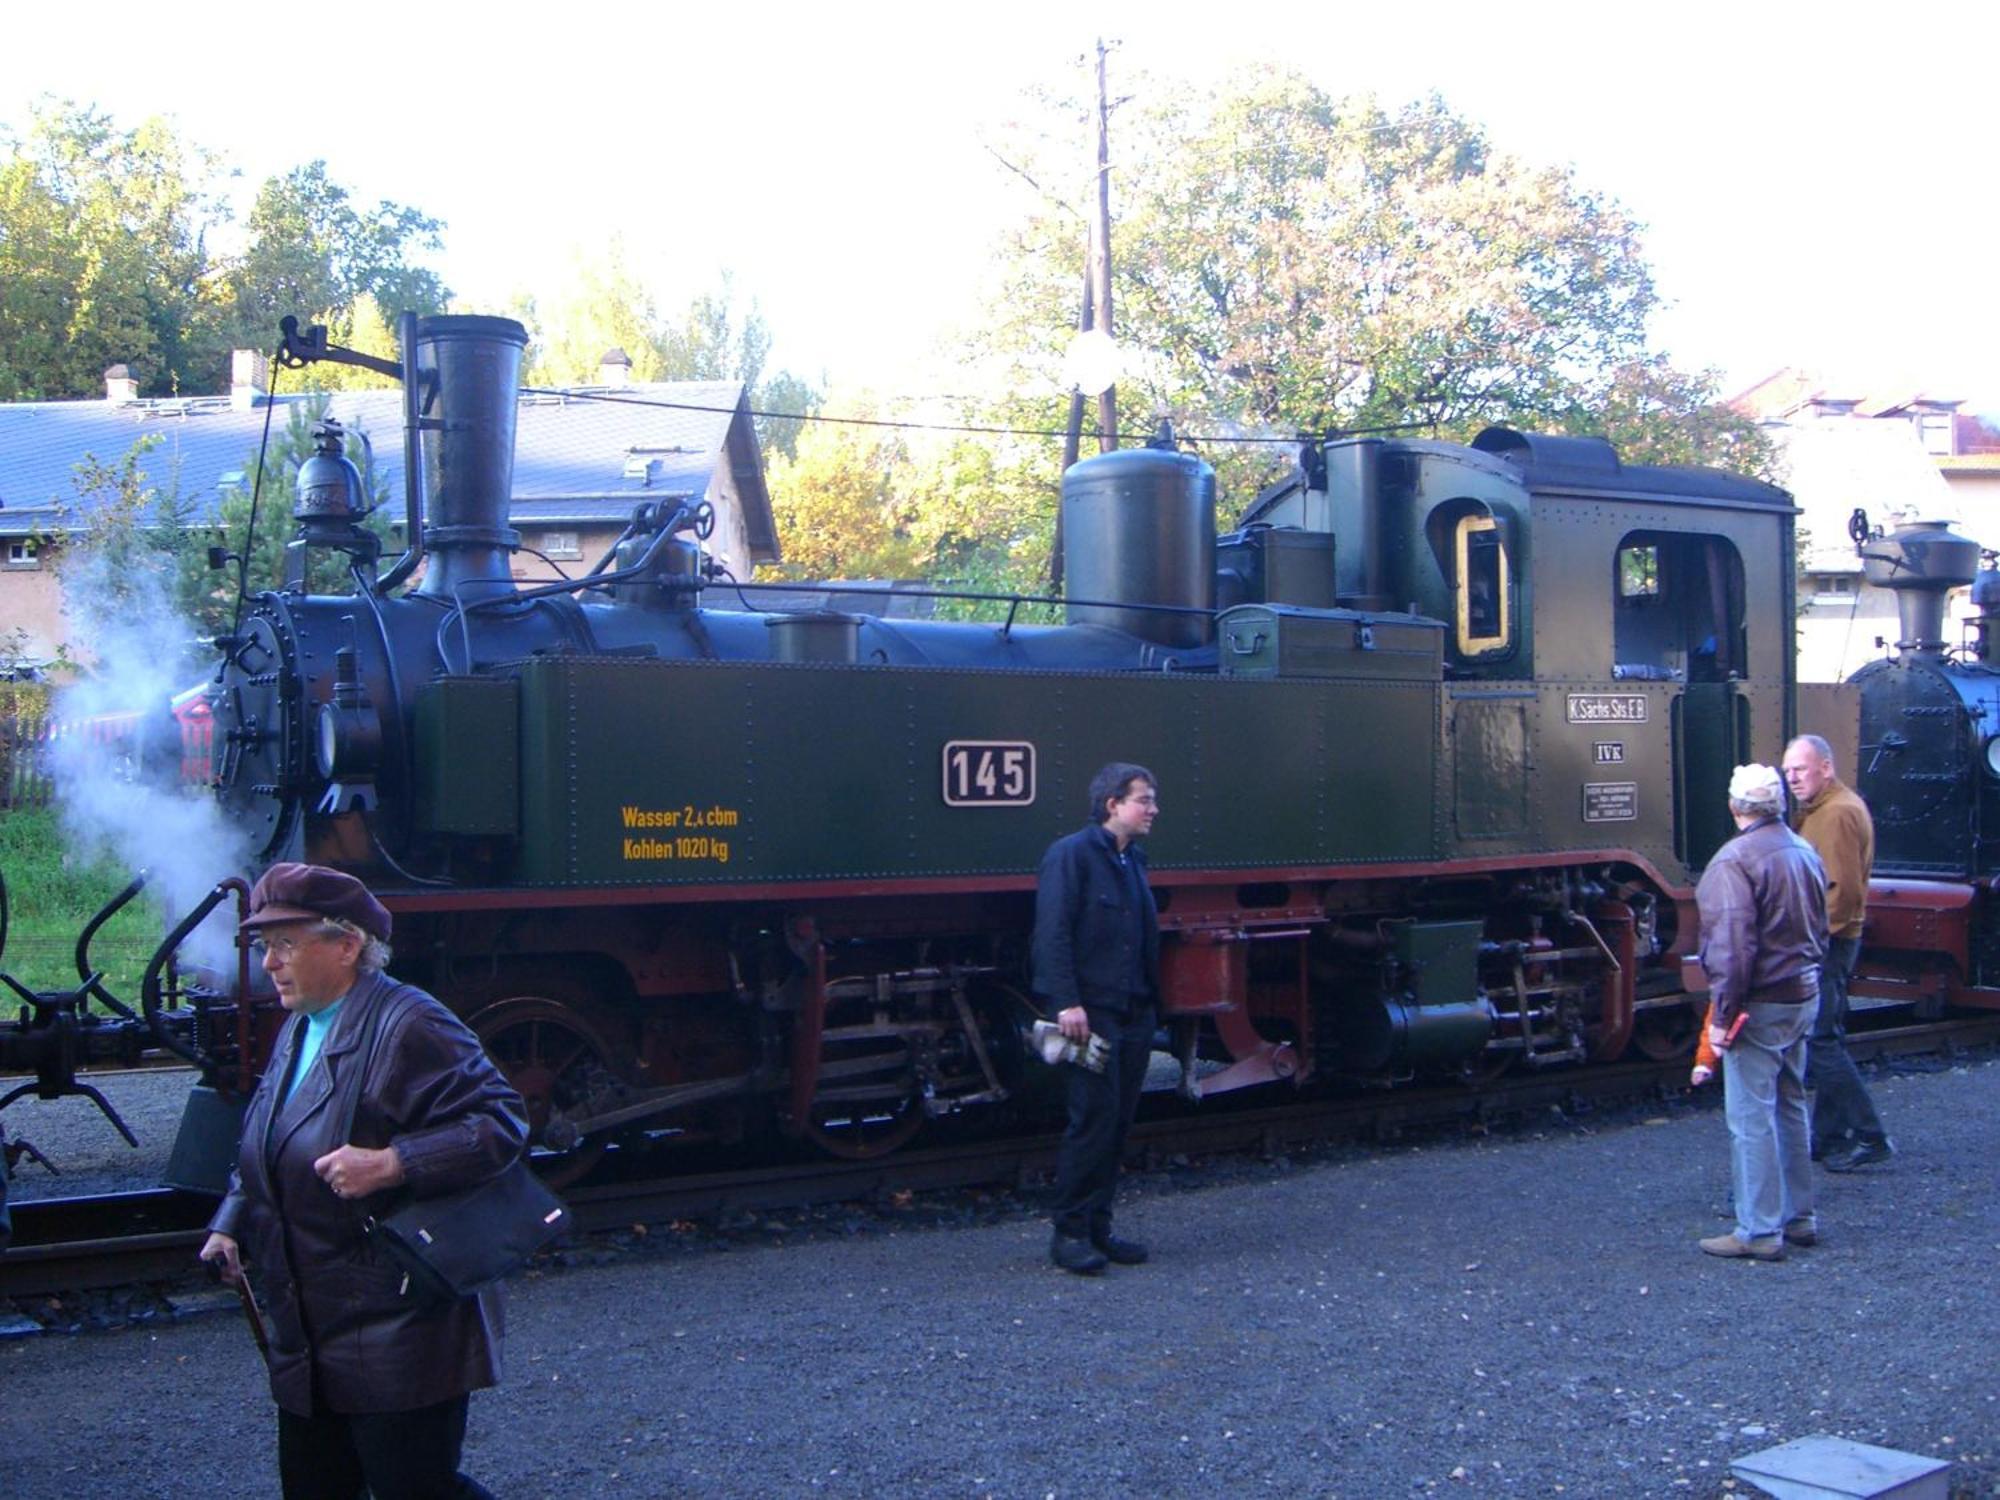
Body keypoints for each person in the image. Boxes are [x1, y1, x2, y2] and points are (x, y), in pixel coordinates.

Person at [200, 863, 526, 1500]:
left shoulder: (409, 1024)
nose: (269, 963)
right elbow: (268, 1140)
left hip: (399, 1327)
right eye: (265, 946)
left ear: (347, 946)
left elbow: (502, 1123)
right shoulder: (302, 1025)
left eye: (286, 944)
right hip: (312, 1328)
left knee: (417, 1490)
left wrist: (393, 1162)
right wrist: (232, 1224)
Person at [1695, 763, 1827, 1261]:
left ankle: (1759, 1230)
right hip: (1803, 993)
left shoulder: (1733, 862)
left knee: (1750, 1116)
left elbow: (1731, 950)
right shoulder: (1803, 850)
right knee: (1791, 1105)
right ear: (1778, 805)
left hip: (1762, 1002)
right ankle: (1799, 1217)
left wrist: (1723, 1018)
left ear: (1734, 807)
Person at [1032, 762, 1161, 1275]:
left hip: (1133, 1010)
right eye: (1144, 800)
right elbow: (1053, 931)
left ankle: (1099, 1227)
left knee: (1119, 1121)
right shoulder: (1071, 856)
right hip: (1091, 1014)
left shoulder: (1134, 861)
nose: (1153, 810)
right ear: (1113, 804)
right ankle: (1069, 1233)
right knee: (1091, 1120)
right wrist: (1066, 1002)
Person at [1782, 734, 1894, 1172]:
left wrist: (1810, 944)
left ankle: (1871, 1134)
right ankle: (1828, 1136)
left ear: (1825, 767)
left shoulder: (1836, 814)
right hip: (1831, 939)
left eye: (1801, 769)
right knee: (1827, 1035)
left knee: (1822, 1039)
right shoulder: (1825, 810)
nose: (1792, 778)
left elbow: (1840, 893)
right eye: (1788, 771)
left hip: (1828, 942)